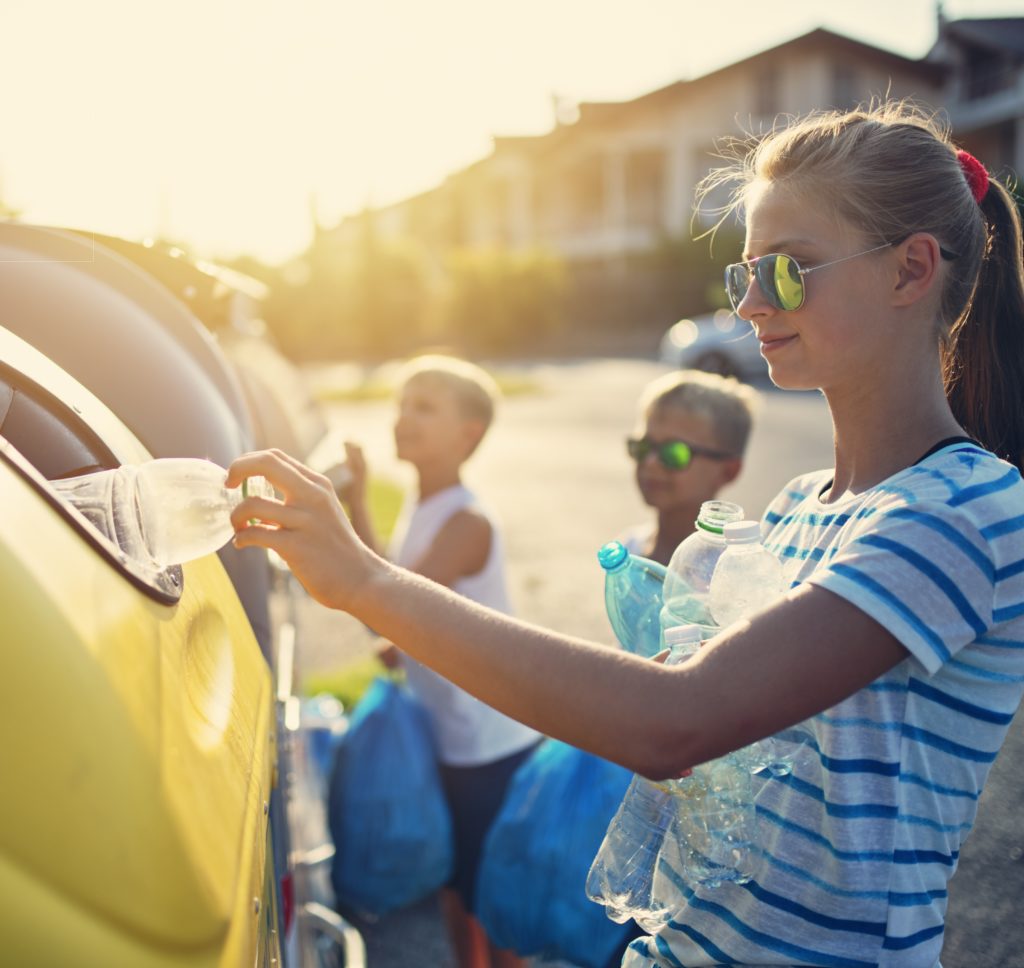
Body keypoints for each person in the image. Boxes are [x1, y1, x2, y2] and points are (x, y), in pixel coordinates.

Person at [228, 100, 1024, 967]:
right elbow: (711, 745)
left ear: (911, 271)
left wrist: (366, 583)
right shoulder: (799, 505)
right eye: (745, 273)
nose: (753, 304)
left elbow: (676, 724)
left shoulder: (966, 513)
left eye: (790, 272)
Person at [339, 354, 540, 968]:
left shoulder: (466, 521)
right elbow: (393, 594)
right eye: (402, 404)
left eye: (424, 406)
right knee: (456, 885)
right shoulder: (423, 505)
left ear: (468, 435)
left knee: (490, 896)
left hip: (486, 742)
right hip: (449, 734)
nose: (404, 417)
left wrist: (395, 627)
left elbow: (388, 603)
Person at [620, 369, 758, 565]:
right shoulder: (630, 547)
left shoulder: (730, 568)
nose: (650, 462)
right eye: (643, 446)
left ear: (728, 471)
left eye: (674, 453)